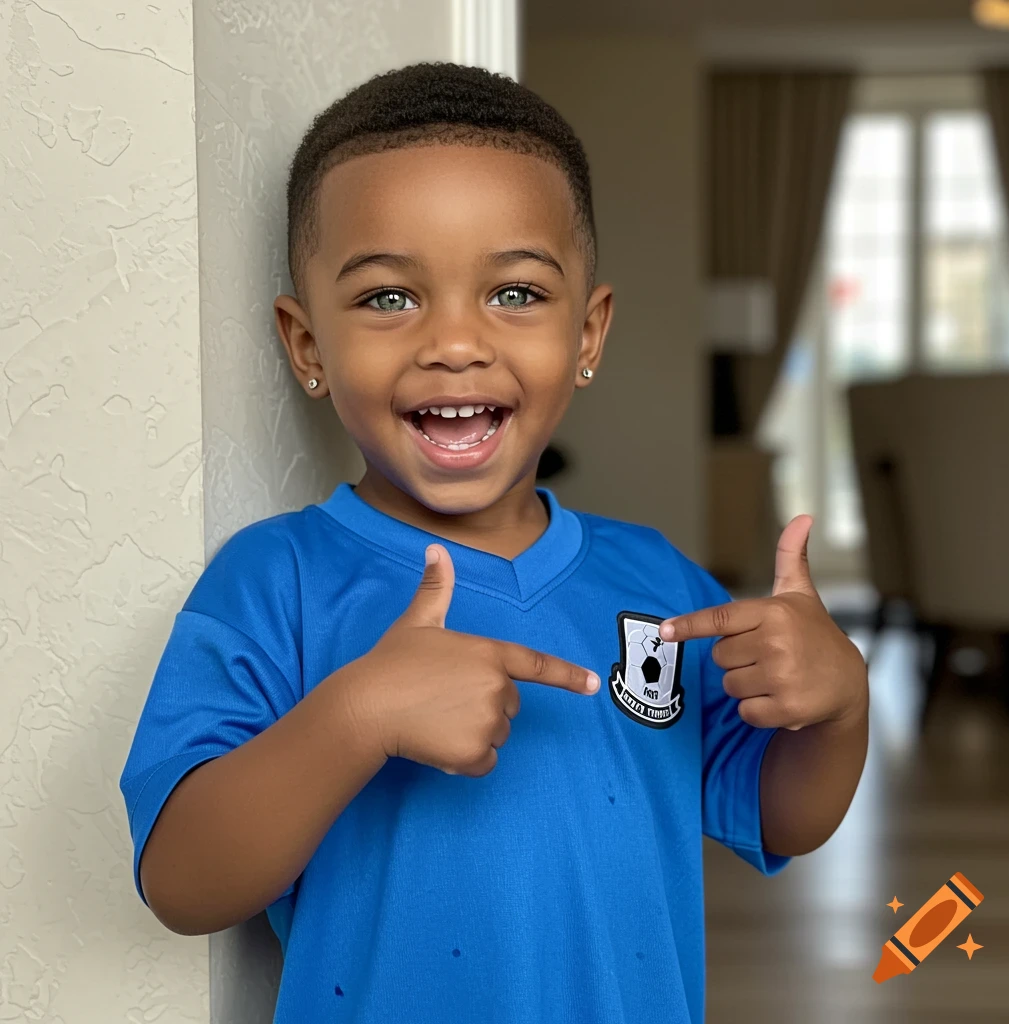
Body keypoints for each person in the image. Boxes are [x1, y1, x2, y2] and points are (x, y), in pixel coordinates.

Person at [120, 62, 869, 1024]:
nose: (456, 342)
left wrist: (839, 710)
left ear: (588, 333)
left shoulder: (655, 580)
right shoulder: (275, 582)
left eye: (514, 293)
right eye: (390, 298)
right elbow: (183, 884)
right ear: (307, 347)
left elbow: (777, 814)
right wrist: (357, 717)